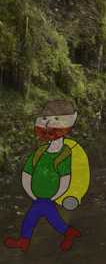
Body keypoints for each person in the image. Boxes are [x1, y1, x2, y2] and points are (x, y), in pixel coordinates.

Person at [4, 100, 82, 252]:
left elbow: (65, 178)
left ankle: (25, 240)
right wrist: (30, 191)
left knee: (34, 214)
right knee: (45, 214)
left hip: (48, 195)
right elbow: (28, 172)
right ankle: (67, 232)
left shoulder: (65, 154)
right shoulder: (39, 152)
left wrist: (56, 195)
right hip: (38, 195)